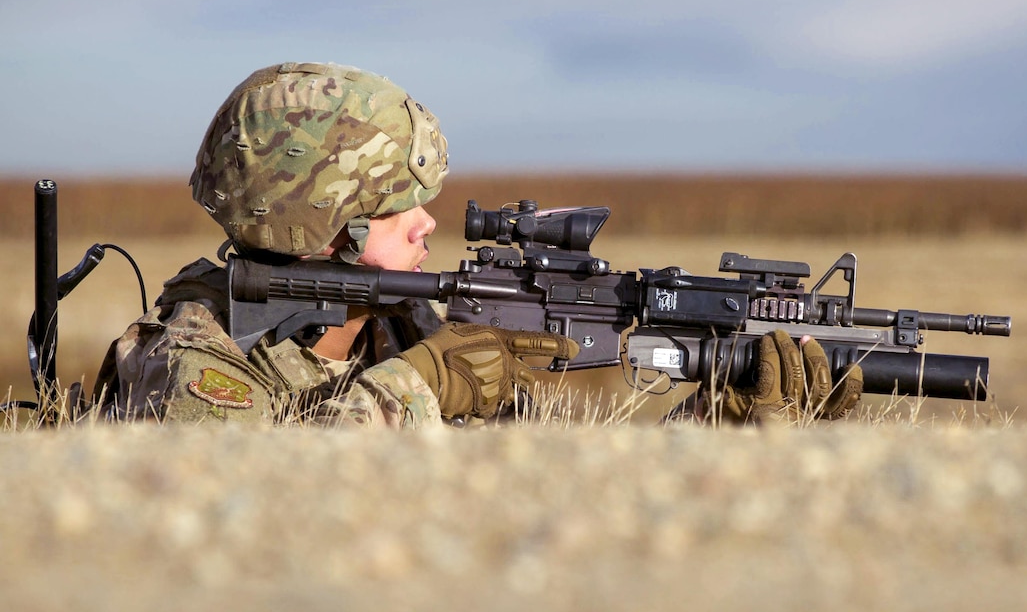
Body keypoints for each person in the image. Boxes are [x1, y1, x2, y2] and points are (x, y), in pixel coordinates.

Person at [91, 61, 860, 428]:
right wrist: (421, 386)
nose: (428, 223)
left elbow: (547, 507)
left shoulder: (405, 328)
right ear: (320, 224)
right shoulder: (195, 357)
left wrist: (724, 419)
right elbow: (247, 507)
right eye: (398, 206)